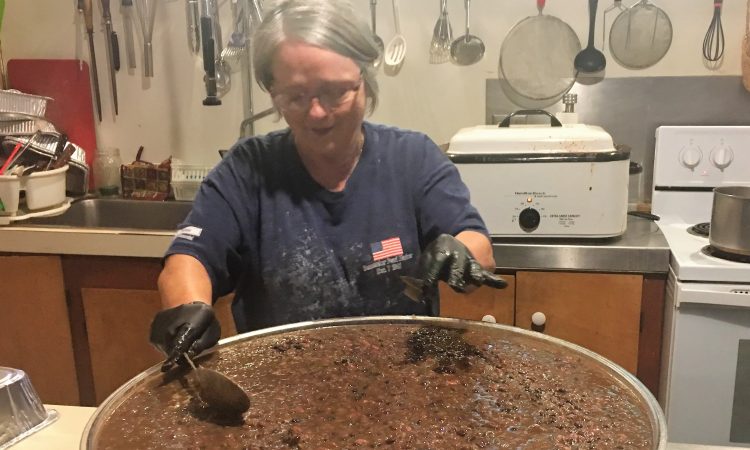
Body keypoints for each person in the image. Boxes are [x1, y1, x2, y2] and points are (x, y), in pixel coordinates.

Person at [150, 0, 505, 371]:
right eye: (296, 96)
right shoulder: (247, 169)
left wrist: (460, 252)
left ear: (364, 81)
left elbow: (476, 245)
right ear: (273, 93)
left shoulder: (413, 157)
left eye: (335, 92)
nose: (317, 113)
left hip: (404, 384)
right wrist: (187, 309)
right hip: (281, 389)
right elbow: (190, 259)